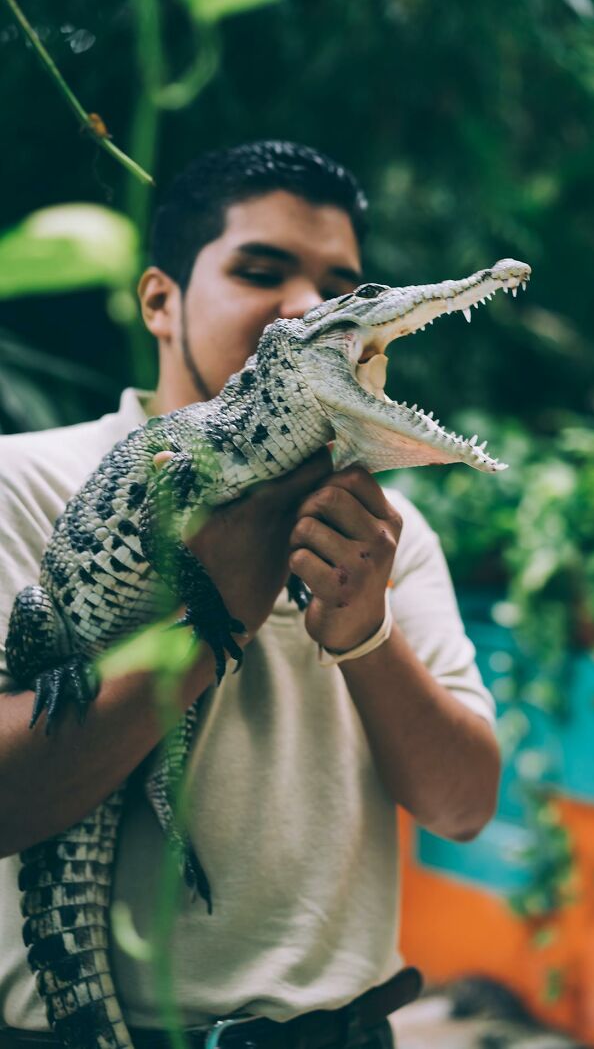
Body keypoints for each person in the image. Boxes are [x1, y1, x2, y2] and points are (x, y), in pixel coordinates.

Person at [0, 141, 500, 1048]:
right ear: (160, 298)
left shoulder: (393, 532)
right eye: (260, 269)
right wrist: (211, 618)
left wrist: (365, 629)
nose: (306, 307)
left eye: (341, 286)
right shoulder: (22, 482)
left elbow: (464, 808)